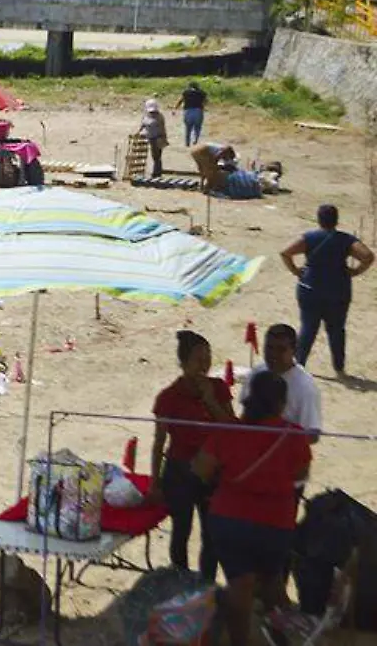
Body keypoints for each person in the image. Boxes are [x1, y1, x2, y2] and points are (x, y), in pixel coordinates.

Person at [193, 371, 312, 646]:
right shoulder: (294, 436)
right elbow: (300, 474)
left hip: (230, 521)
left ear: (248, 400)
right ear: (281, 404)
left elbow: (201, 468)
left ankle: (241, 641)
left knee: (240, 584)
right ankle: (287, 635)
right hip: (275, 524)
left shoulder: (229, 432)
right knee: (272, 584)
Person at [149, 331, 233, 581]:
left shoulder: (218, 388)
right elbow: (159, 442)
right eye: (198, 359)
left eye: (207, 358)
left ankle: (206, 585)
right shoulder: (168, 398)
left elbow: (233, 428)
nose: (204, 365)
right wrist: (155, 482)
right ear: (184, 363)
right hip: (180, 471)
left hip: (213, 472)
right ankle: (181, 583)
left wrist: (211, 402)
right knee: (181, 531)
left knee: (211, 533)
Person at [280, 205, 374, 376]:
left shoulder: (309, 238)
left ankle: (299, 365)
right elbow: (368, 256)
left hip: (310, 288)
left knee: (308, 328)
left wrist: (296, 271)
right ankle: (339, 367)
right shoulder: (346, 240)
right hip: (338, 290)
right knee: (337, 330)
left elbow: (285, 252)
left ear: (319, 219)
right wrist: (355, 272)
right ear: (336, 220)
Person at [139, 99, 168, 178]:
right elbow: (142, 125)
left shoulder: (159, 116)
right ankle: (156, 172)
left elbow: (162, 128)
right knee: (154, 156)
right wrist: (139, 132)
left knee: (156, 156)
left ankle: (157, 173)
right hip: (150, 138)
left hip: (157, 138)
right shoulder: (146, 115)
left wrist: (163, 138)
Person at [175, 81, 207, 147]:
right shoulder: (202, 93)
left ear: (189, 86)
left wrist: (175, 108)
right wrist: (203, 107)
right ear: (197, 86)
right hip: (198, 111)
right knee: (197, 127)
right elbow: (206, 101)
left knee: (188, 128)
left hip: (188, 111)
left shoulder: (185, 92)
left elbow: (180, 101)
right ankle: (195, 140)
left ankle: (187, 143)